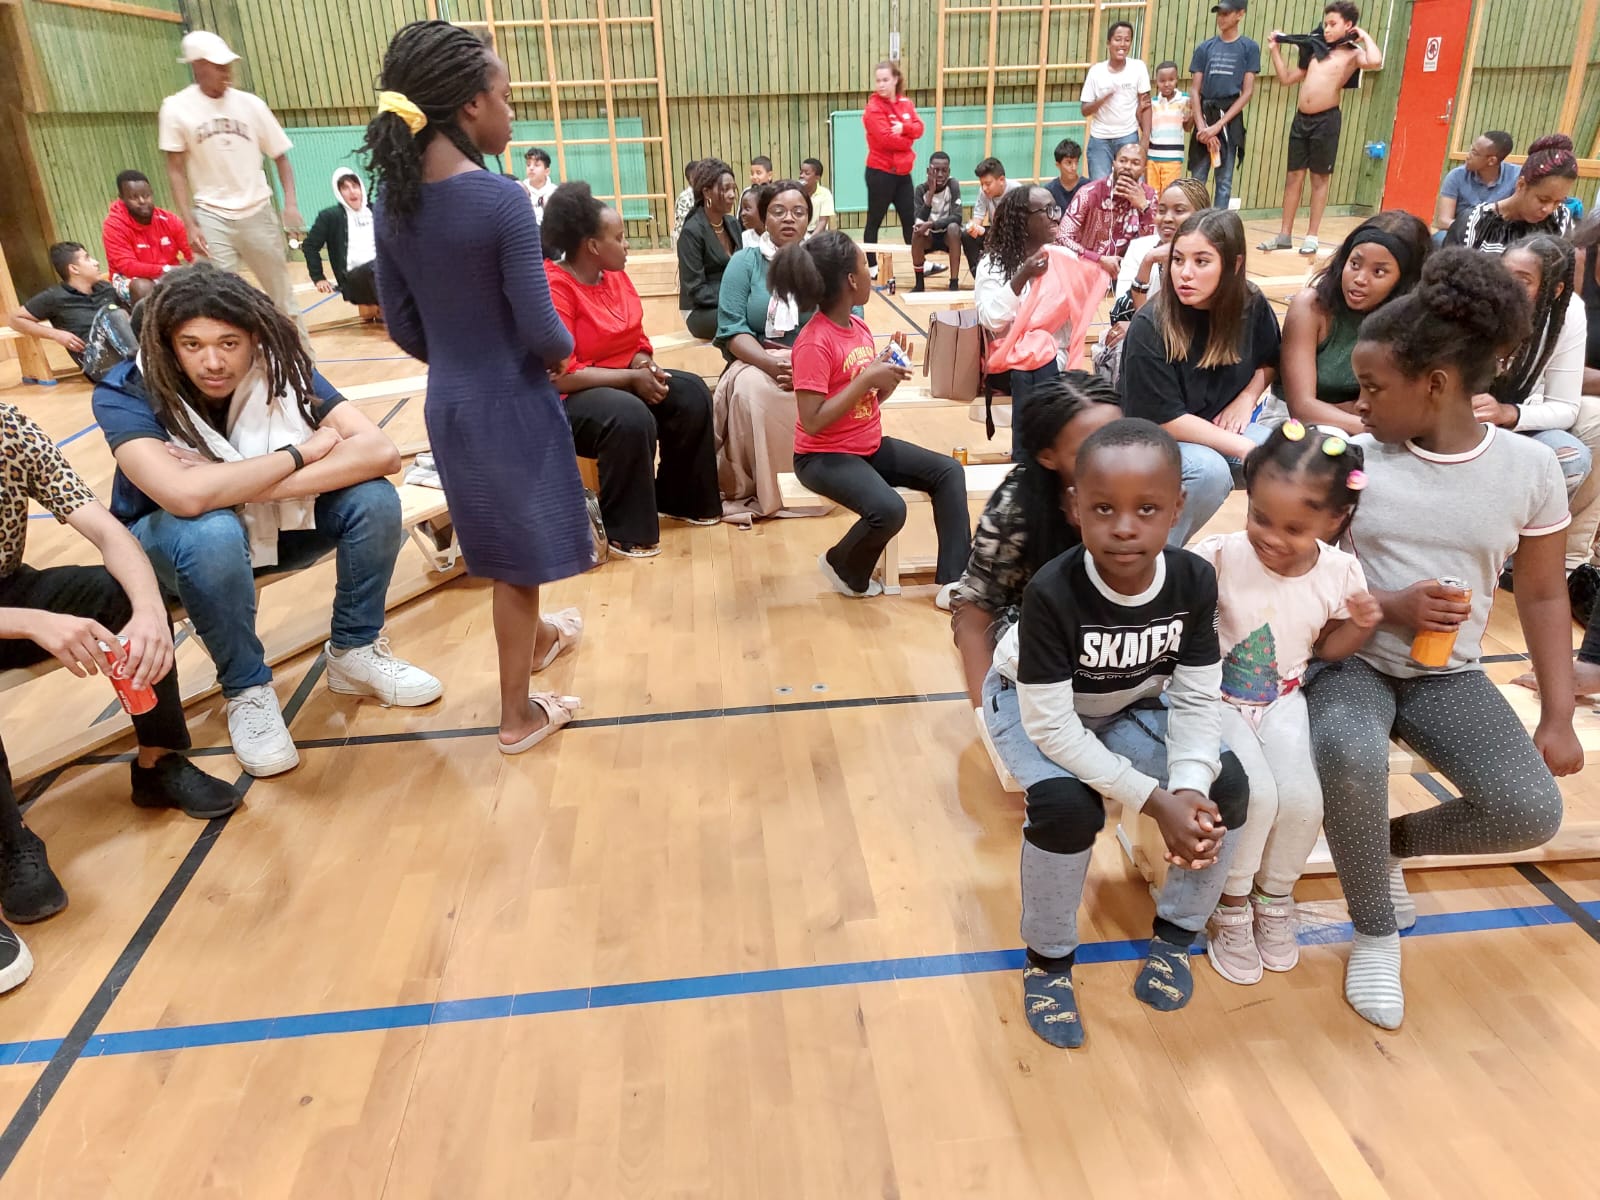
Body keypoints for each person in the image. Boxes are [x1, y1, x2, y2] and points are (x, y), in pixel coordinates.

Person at [1312, 248, 1580, 1030]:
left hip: (1447, 675)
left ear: (1434, 384)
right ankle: (1374, 931)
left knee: (1528, 811)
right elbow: (1302, 577)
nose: (1359, 405)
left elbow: (1544, 593)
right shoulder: (1353, 463)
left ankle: (1383, 847)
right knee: (1348, 753)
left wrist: (1558, 713)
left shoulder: (1530, 469)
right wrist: (1386, 604)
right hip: (1352, 660)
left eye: (1372, 389)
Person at [92, 265, 441, 774]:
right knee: (213, 529)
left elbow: (380, 452)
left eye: (229, 343)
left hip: (271, 523)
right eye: (192, 345)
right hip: (172, 547)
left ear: (254, 338)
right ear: (168, 343)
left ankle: (354, 651)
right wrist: (301, 454)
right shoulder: (126, 389)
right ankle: (247, 690)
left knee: (373, 498)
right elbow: (184, 498)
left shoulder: (281, 365)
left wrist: (230, 480)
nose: (213, 361)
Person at [365, 21, 588, 756]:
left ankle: (542, 638)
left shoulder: (393, 203)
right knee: (517, 566)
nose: (512, 112)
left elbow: (403, 325)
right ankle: (517, 716)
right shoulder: (500, 200)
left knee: (500, 545)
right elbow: (543, 327)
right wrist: (561, 354)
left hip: (451, 403)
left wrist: (463, 357)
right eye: (505, 97)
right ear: (470, 106)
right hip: (511, 403)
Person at [992, 417, 1249, 1047]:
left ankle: (1177, 936)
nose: (1125, 527)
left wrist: (1188, 787)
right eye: (1104, 508)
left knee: (1225, 787)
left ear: (1177, 508)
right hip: (1033, 708)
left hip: (1126, 700)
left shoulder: (1192, 581)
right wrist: (1155, 800)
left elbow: (1195, 697)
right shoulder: (1053, 592)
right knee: (1066, 807)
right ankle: (1047, 960)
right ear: (1076, 507)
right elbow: (1053, 728)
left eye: (1147, 509)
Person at [0, 402, 245, 991]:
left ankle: (159, 763)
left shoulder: (9, 428)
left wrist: (150, 612)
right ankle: (9, 843)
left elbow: (108, 531)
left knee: (115, 592)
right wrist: (31, 622)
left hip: (8, 588)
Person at [1190, 422, 1378, 984]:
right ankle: (1230, 904)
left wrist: (1360, 626)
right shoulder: (1218, 556)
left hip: (1282, 700)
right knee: (1258, 795)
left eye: (1294, 528)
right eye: (1260, 517)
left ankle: (1273, 899)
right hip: (1215, 700)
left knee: (1302, 799)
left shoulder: (1341, 571)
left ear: (1334, 521)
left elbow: (1327, 649)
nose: (1271, 537)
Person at [773, 231, 970, 601]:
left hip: (866, 446)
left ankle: (955, 582)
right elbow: (812, 420)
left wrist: (887, 377)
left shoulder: (859, 328)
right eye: (866, 264)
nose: (870, 272)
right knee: (889, 509)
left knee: (948, 472)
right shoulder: (814, 342)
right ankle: (842, 564)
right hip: (821, 457)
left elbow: (867, 401)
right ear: (851, 280)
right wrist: (866, 378)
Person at [543, 182, 722, 557]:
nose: (627, 246)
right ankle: (626, 530)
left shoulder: (615, 276)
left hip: (621, 378)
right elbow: (562, 375)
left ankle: (679, 499)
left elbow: (636, 339)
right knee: (628, 415)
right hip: (568, 397)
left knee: (690, 393)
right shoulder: (555, 285)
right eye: (619, 238)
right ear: (593, 246)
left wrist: (644, 365)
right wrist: (631, 377)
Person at [949, 373, 1121, 707]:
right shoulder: (1015, 510)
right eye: (1089, 449)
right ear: (1047, 456)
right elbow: (974, 613)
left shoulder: (1143, 488)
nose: (1112, 457)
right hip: (1030, 636)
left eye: (1121, 438)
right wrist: (988, 712)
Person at [1119, 209, 1282, 546]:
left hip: (1212, 430)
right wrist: (1245, 448)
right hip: (1152, 440)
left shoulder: (1250, 303)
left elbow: (1270, 359)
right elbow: (1164, 419)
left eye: (1201, 261)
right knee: (1209, 470)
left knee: (1286, 456)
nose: (1185, 273)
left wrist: (1247, 397)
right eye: (1178, 260)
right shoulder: (1150, 325)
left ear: (1234, 264)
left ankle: (1269, 555)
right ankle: (1151, 557)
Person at [160, 31, 307, 342]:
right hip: (211, 214)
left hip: (257, 209)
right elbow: (175, 170)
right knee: (217, 301)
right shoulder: (176, 108)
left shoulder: (251, 105)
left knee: (283, 300)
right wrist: (189, 223)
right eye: (218, 66)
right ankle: (236, 366)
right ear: (198, 66)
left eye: (227, 65)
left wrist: (290, 204)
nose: (226, 72)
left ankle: (304, 364)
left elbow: (280, 157)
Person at [711, 180, 826, 520]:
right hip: (756, 360)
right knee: (752, 391)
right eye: (778, 211)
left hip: (815, 360)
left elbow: (846, 317)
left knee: (823, 391)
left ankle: (823, 482)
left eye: (798, 212)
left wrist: (808, 364)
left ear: (808, 219)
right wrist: (771, 365)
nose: (789, 218)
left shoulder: (824, 261)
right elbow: (732, 330)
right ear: (764, 218)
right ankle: (766, 489)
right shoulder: (744, 262)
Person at [1278, 210, 1432, 435]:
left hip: (1366, 423)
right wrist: (1381, 428)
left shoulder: (1412, 321)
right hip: (1293, 423)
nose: (1359, 279)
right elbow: (1302, 408)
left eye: (1378, 272)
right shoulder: (1310, 306)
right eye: (1355, 264)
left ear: (1405, 280)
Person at [1474, 236, 1593, 510]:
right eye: (1503, 273)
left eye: (1523, 280)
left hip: (1511, 424)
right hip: (1459, 423)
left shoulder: (1568, 313)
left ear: (1555, 290)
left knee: (1572, 458)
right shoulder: (1475, 300)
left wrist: (1509, 413)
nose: (1506, 287)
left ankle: (1525, 535)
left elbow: (1565, 407)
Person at [1259, 3, 1382, 255]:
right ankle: (1284, 235)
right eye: (1325, 24)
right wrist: (1274, 51)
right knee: (1293, 177)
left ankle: (1312, 236)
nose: (1327, 29)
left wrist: (1364, 35)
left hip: (1326, 121)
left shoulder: (1353, 54)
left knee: (1319, 178)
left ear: (1348, 25)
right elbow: (1286, 79)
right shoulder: (1316, 50)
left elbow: (1375, 61)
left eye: (1333, 24)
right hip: (1301, 120)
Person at [975, 186, 1102, 431]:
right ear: (1023, 220)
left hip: (1054, 359)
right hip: (1005, 362)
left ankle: (1026, 449)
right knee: (1030, 357)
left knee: (1039, 351)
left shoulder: (1063, 258)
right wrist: (1023, 275)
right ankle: (1045, 442)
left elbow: (1074, 319)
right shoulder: (993, 264)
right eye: (1047, 211)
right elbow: (992, 320)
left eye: (1056, 209)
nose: (1056, 217)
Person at [1095, 176, 1210, 385]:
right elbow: (1122, 313)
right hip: (1150, 332)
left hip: (1196, 337)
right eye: (1161, 210)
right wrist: (1148, 262)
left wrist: (1139, 327)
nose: (1167, 218)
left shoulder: (1211, 258)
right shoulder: (1140, 248)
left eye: (1179, 210)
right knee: (1118, 343)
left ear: (1201, 215)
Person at [9, 242, 137, 383]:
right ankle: (141, 366)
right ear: (74, 269)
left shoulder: (106, 288)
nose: (96, 262)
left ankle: (143, 365)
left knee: (141, 307)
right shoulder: (54, 297)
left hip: (123, 354)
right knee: (114, 314)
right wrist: (56, 334)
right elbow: (15, 319)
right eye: (87, 258)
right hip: (97, 363)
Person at [1447, 134, 1578, 254]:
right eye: (1543, 200)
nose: (1548, 209)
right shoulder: (1475, 223)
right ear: (1521, 185)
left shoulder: (1561, 219)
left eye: (1558, 202)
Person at [1187, 0, 1260, 210]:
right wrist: (1202, 127)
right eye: (1219, 13)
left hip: (1229, 118)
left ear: (1240, 14)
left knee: (1224, 181)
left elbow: (1247, 92)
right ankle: (1194, 222)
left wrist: (1219, 125)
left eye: (1226, 13)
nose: (1221, 18)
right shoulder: (1204, 48)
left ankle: (1219, 224)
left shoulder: (1249, 48)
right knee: (1197, 179)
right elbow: (1195, 90)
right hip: (1205, 114)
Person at [1054, 141, 1156, 280]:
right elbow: (1062, 237)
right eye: (1123, 161)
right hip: (1086, 272)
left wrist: (1144, 208)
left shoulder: (1149, 196)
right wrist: (1098, 259)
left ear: (1144, 169)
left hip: (1128, 276)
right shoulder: (1089, 193)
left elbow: (1153, 244)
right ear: (1114, 163)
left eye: (1135, 163)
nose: (1127, 166)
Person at [862, 60, 923, 269]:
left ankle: (920, 263)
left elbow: (919, 128)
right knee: (874, 220)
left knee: (910, 220)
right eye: (878, 80)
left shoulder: (906, 104)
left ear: (895, 79)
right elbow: (886, 139)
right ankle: (871, 267)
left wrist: (905, 128)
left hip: (903, 173)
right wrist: (908, 140)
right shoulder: (873, 109)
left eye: (885, 80)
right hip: (880, 173)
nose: (881, 84)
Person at [102, 169, 195, 305]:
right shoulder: (114, 225)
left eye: (146, 195)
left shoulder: (169, 220)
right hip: (131, 279)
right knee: (143, 287)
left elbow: (191, 252)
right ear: (122, 198)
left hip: (169, 275)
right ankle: (143, 319)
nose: (142, 201)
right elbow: (128, 266)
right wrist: (166, 270)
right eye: (134, 197)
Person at [676, 157, 742, 340]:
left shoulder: (732, 224)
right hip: (700, 311)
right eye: (725, 189)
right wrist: (736, 296)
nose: (732, 195)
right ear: (706, 192)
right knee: (749, 319)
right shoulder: (692, 232)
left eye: (733, 188)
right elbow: (696, 290)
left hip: (732, 304)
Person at [301, 168, 381, 319]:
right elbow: (310, 246)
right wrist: (318, 277)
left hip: (379, 271)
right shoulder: (330, 216)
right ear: (338, 193)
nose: (352, 192)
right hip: (355, 278)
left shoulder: (376, 210)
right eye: (345, 188)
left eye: (355, 186)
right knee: (376, 272)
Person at [1080, 21, 1151, 180]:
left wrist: (1145, 139)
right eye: (1118, 39)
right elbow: (1084, 110)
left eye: (1127, 40)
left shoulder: (1138, 67)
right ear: (1108, 43)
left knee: (1132, 184)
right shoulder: (1096, 71)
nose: (1122, 44)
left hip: (1128, 135)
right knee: (1101, 186)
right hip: (1099, 139)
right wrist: (1102, 100)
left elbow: (1146, 104)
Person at [1434, 131, 1518, 242]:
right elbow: (1443, 221)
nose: (1467, 156)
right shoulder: (1456, 176)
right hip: (1461, 232)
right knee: (1439, 238)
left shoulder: (1517, 177)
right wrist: (1474, 230)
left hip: (1497, 236)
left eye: (1474, 153)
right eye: (1471, 150)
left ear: (1491, 161)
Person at [911, 151, 963, 291]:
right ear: (928, 171)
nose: (940, 174)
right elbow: (919, 221)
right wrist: (931, 193)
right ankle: (919, 284)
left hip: (947, 236)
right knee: (916, 232)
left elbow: (958, 217)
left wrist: (933, 224)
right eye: (936, 170)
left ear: (949, 172)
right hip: (929, 237)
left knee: (954, 228)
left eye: (944, 170)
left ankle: (954, 283)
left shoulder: (953, 185)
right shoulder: (920, 190)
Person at [963, 157, 1019, 272]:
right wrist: (973, 227)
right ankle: (979, 273)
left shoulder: (1017, 191)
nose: (984, 188)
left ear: (1001, 180)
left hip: (1014, 234)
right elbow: (978, 216)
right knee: (967, 236)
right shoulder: (983, 192)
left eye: (988, 184)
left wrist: (984, 231)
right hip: (995, 232)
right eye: (981, 184)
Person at [1146, 61, 1191, 194]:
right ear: (1156, 82)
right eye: (1162, 81)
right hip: (1152, 157)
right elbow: (1145, 126)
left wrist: (1191, 115)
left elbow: (1188, 127)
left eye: (1171, 80)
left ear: (1177, 79)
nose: (1167, 84)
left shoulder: (1185, 100)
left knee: (1168, 193)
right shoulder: (1153, 103)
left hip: (1173, 158)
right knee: (1152, 193)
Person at [1044, 138, 1086, 214]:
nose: (1074, 167)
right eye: (1069, 163)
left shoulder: (1087, 187)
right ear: (1058, 165)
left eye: (1076, 162)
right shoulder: (1049, 190)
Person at [671, 158, 703, 249]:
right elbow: (683, 226)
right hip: (688, 242)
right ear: (692, 178)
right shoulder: (685, 198)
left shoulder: (704, 194)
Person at [800, 158, 835, 237]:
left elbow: (822, 222)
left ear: (817, 178)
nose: (802, 176)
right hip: (799, 232)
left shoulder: (825, 194)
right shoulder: (796, 192)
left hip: (817, 234)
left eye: (806, 173)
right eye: (801, 172)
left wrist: (810, 240)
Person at [521, 147, 557, 222]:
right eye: (528, 165)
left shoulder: (555, 192)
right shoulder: (520, 191)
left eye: (536, 165)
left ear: (547, 171)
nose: (531, 168)